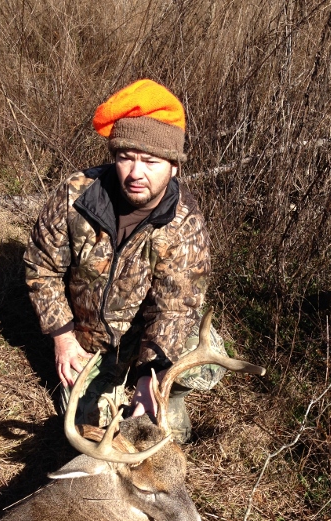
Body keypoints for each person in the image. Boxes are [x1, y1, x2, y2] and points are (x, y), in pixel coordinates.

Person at [24, 79, 225, 442]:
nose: (135, 173)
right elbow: (42, 267)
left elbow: (174, 309)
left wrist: (153, 378)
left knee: (196, 373)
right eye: (125, 157)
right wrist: (63, 338)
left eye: (150, 161)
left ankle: (169, 393)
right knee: (86, 435)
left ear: (174, 166)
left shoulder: (185, 224)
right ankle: (115, 383)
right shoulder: (76, 196)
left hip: (150, 337)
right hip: (92, 341)